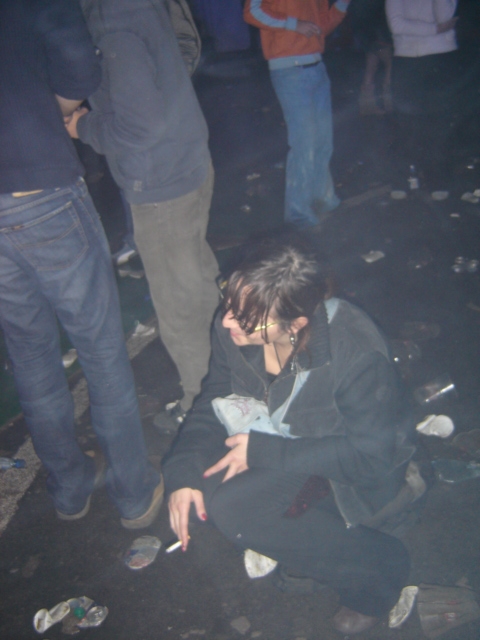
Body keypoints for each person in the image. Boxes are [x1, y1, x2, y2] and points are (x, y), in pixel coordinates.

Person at [163, 234, 420, 634]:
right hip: (273, 437)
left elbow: (371, 457)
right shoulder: (235, 325)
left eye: (244, 318)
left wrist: (262, 452)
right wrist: (183, 471)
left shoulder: (354, 351)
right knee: (203, 494)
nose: (227, 321)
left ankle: (379, 568)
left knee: (235, 511)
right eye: (229, 304)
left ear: (296, 324)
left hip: (344, 460)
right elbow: (215, 397)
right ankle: (298, 530)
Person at [0, 0, 162, 529]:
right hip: (39, 183)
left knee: (30, 355)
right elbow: (77, 64)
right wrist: (50, 110)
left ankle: (69, 489)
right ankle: (133, 493)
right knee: (100, 348)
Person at [66, 0, 220, 421]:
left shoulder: (111, 18)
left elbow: (141, 127)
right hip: (189, 158)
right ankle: (231, 375)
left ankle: (203, 405)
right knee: (198, 279)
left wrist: (85, 127)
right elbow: (186, 48)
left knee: (179, 306)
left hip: (160, 182)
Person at [243, 0, 351, 230]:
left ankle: (324, 200)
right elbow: (252, 11)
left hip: (317, 66)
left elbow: (320, 27)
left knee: (323, 142)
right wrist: (293, 24)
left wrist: (341, 5)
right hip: (289, 70)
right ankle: (298, 216)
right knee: (304, 145)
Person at [386, 0, 459, 195]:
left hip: (439, 57)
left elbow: (445, 17)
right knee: (405, 122)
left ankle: (438, 180)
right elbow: (396, 25)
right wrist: (435, 30)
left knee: (438, 123)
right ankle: (405, 178)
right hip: (406, 59)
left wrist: (435, 27)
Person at [350, 0, 393, 116]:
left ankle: (367, 105)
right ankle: (390, 103)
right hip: (379, 36)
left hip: (366, 34)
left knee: (371, 67)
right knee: (390, 63)